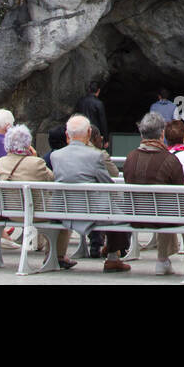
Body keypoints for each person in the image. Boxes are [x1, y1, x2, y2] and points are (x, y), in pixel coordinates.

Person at [51, 114, 127, 272]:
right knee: (119, 213)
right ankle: (113, 257)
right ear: (88, 133)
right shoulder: (95, 155)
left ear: (67, 135)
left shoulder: (55, 156)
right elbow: (107, 184)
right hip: (90, 211)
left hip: (62, 209)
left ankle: (54, 254)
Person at [0, 124, 75, 269]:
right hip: (36, 214)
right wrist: (34, 156)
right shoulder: (36, 163)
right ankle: (57, 255)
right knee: (64, 214)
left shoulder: (1, 162)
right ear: (28, 144)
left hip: (11, 213)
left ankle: (54, 255)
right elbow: (52, 178)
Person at [122, 112, 184, 275]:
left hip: (134, 215)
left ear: (142, 133)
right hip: (162, 218)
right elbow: (183, 194)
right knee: (174, 208)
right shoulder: (170, 160)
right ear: (162, 134)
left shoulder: (130, 158)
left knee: (164, 205)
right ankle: (165, 259)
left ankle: (163, 260)